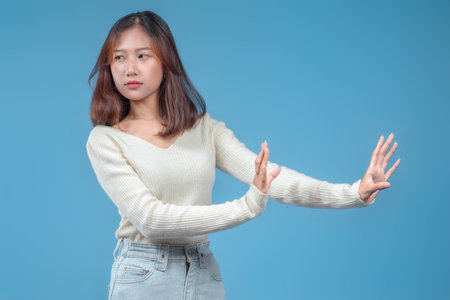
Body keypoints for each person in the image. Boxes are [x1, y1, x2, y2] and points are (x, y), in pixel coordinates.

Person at [86, 11, 400, 300]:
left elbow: (270, 177)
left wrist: (353, 192)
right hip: (143, 275)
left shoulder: (203, 129)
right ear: (108, 67)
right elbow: (151, 220)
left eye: (143, 56)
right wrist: (246, 207)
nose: (130, 69)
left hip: (202, 270)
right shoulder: (106, 140)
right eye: (119, 58)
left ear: (165, 62)